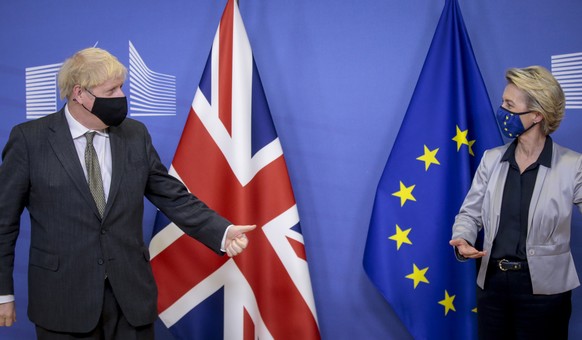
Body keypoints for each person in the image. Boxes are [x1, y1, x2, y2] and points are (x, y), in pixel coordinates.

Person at [0, 47, 255, 339]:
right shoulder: (29, 140)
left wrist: (222, 231)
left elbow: (172, 195)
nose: (121, 97)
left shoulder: (135, 134)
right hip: (63, 299)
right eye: (111, 90)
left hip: (130, 300)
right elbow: (3, 221)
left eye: (122, 87)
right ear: (79, 93)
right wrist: (2, 293)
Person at [450, 65, 582, 339]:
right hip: (493, 287)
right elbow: (469, 214)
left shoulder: (574, 165)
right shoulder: (490, 159)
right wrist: (462, 239)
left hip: (546, 293)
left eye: (509, 104)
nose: (502, 111)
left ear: (537, 114)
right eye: (502, 102)